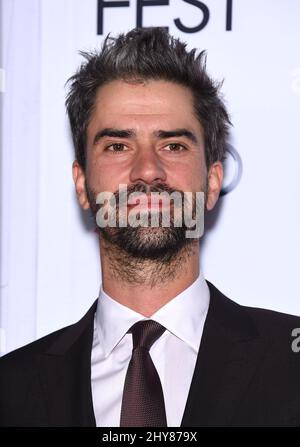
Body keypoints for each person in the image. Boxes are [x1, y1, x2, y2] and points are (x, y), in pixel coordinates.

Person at [1, 27, 300, 428]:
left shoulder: (290, 364)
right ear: (82, 184)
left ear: (212, 182)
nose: (147, 171)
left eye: (173, 145)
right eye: (118, 146)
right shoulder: (10, 389)